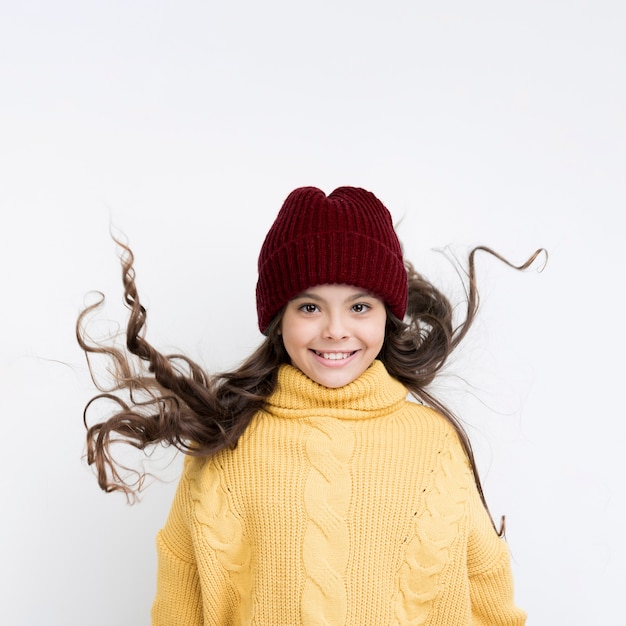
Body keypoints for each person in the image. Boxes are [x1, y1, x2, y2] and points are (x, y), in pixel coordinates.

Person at [78, 186, 543, 625]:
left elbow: (490, 595)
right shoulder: (226, 444)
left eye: (360, 307)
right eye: (309, 307)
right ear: (277, 320)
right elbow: (181, 602)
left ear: (388, 316)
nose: (336, 329)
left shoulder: (434, 443)